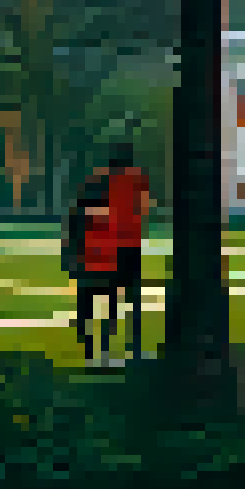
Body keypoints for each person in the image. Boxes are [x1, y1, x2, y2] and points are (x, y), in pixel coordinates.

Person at [94, 144, 151, 360]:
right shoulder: (137, 179)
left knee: (111, 300)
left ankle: (105, 349)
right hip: (132, 245)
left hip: (111, 246)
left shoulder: (106, 180)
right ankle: (134, 347)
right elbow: (143, 208)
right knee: (133, 299)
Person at [63, 173, 123, 367]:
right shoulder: (111, 212)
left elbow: (71, 242)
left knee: (86, 313)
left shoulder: (79, 214)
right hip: (106, 269)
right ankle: (103, 349)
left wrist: (71, 265)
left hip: (87, 269)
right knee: (109, 312)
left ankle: (89, 351)